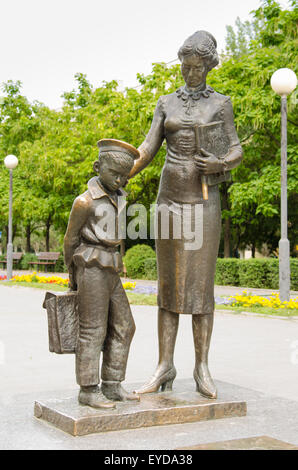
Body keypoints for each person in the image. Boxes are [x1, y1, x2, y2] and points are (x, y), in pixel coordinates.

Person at [129, 31, 243, 398]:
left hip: (204, 202)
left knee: (199, 287)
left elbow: (236, 150)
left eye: (196, 68)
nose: (189, 74)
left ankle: (202, 367)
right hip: (169, 199)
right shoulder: (165, 102)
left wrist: (220, 161)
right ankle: (164, 365)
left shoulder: (221, 104)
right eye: (184, 67)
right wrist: (119, 173)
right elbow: (148, 147)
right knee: (169, 284)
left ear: (209, 66)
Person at [64, 139, 140, 409]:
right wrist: (73, 276)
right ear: (98, 167)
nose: (120, 180)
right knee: (93, 329)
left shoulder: (120, 197)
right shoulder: (84, 202)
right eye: (114, 174)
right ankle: (88, 389)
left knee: (124, 325)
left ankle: (112, 383)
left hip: (110, 266)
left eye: (124, 175)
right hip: (91, 265)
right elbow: (70, 240)